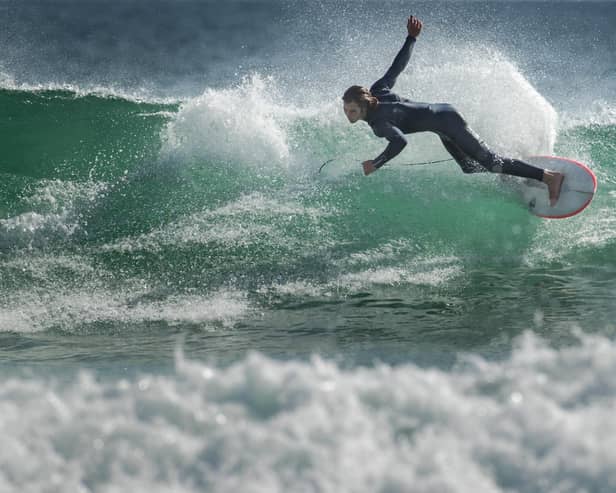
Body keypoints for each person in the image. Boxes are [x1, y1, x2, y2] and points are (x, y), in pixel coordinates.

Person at [342, 15, 564, 206]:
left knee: (490, 161)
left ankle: (549, 177)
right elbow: (396, 68)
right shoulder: (377, 90)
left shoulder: (379, 125)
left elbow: (400, 142)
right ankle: (511, 171)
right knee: (468, 166)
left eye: (352, 111)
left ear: (363, 106)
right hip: (442, 121)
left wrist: (376, 163)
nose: (348, 114)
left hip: (448, 122)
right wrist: (411, 38)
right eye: (346, 110)